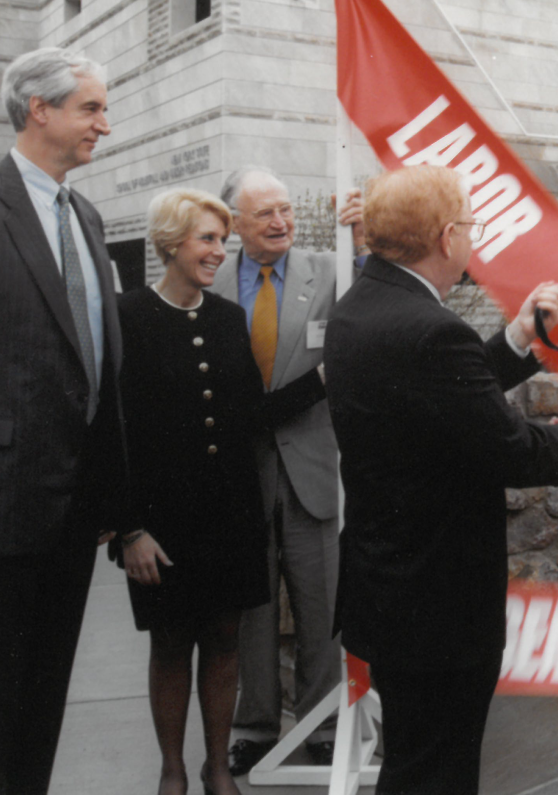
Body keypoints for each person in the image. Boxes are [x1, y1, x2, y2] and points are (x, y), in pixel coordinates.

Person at [323, 165, 558, 794]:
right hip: (438, 608)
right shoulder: (430, 329)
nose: (473, 237)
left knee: (416, 761)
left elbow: (445, 403)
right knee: (436, 773)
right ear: (447, 237)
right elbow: (508, 448)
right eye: (470, 225)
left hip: (389, 593)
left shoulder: (359, 310)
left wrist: (518, 336)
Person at [0, 47, 126, 795]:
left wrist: (113, 494)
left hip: (72, 508)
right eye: (91, 108)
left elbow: (95, 362)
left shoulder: (83, 212)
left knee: (43, 700)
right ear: (39, 109)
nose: (105, 125)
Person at [116, 189, 326, 795]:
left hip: (230, 516)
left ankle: (214, 768)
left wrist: (319, 379)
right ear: (171, 243)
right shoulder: (126, 315)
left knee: (226, 642)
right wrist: (127, 529)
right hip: (159, 525)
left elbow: (247, 417)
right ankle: (173, 771)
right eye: (207, 239)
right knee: (171, 645)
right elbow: (114, 432)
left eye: (221, 239)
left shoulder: (227, 319)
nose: (219, 251)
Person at [213, 167, 362, 772]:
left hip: (312, 469)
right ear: (234, 227)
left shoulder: (331, 270)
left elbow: (382, 292)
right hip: (240, 474)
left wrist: (367, 237)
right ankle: (253, 725)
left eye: (286, 210)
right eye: (264, 214)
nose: (281, 222)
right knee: (252, 609)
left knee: (321, 602)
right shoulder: (211, 281)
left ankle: (323, 722)